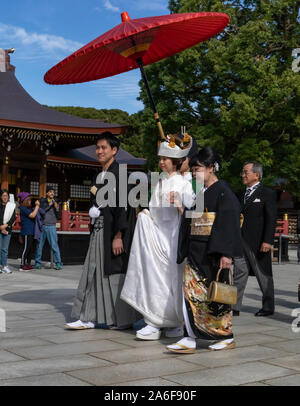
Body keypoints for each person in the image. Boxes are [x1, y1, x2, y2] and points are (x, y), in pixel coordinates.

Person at [166, 147, 243, 353]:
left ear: (210, 168)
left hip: (212, 253)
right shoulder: (204, 192)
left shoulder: (224, 192)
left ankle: (224, 336)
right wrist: (181, 207)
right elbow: (192, 218)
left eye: (197, 169)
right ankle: (189, 337)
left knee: (215, 297)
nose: (194, 173)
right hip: (195, 251)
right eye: (192, 169)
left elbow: (228, 223)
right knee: (190, 295)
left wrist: (226, 253)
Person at [121, 133, 195, 340]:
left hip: (173, 238)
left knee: (173, 280)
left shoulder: (185, 184)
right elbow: (154, 211)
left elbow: (192, 214)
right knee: (154, 277)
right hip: (157, 236)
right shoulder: (160, 183)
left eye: (165, 159)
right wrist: (146, 216)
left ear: (176, 161)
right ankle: (153, 320)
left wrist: (180, 204)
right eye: (160, 159)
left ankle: (175, 321)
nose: (161, 162)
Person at [66, 132, 137, 330]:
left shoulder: (122, 175)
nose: (99, 151)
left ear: (114, 150)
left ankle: (122, 319)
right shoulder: (100, 176)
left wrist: (119, 236)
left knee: (114, 274)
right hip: (98, 230)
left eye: (104, 147)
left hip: (112, 231)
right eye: (97, 147)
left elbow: (124, 208)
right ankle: (87, 316)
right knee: (92, 271)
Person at [232, 162, 277, 317]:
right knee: (239, 272)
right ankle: (234, 306)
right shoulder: (238, 194)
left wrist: (268, 240)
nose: (243, 175)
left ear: (256, 175)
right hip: (240, 240)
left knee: (263, 274)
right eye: (243, 172)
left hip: (259, 242)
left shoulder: (267, 193)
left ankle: (268, 306)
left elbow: (271, 219)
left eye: (246, 172)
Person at [35, 186, 62, 270]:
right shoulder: (42, 201)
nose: (52, 193)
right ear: (47, 193)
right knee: (39, 246)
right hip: (42, 226)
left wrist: (57, 209)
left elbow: (59, 217)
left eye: (53, 192)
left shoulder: (56, 202)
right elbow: (41, 211)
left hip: (52, 227)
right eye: (50, 191)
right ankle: (37, 263)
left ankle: (58, 263)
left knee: (54, 246)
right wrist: (49, 205)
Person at [18, 192, 40, 272]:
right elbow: (32, 215)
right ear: (25, 200)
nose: (31, 201)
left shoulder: (29, 208)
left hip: (32, 232)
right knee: (26, 248)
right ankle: (22, 265)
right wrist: (37, 206)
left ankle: (28, 264)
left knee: (31, 249)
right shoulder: (23, 209)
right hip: (26, 232)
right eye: (29, 200)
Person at [0, 190, 16, 274]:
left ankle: (4, 266)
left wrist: (5, 226)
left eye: (6, 196)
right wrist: (1, 227)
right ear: (1, 197)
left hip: (7, 229)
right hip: (0, 228)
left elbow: (13, 218)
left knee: (4, 249)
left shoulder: (11, 206)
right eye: (3, 196)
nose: (5, 197)